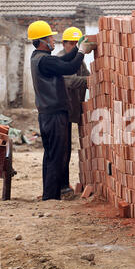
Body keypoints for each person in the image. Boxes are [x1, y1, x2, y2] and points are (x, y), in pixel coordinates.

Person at [27, 20, 93, 201]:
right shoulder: (45, 61)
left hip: (48, 114)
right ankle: (51, 197)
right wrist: (81, 52)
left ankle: (50, 195)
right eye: (50, 37)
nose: (53, 40)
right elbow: (69, 67)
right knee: (57, 156)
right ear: (42, 40)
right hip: (54, 114)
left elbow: (62, 60)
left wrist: (77, 49)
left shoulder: (38, 57)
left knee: (51, 155)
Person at [57, 27, 91, 197]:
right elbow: (69, 81)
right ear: (64, 43)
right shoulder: (59, 60)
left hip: (74, 109)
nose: (73, 46)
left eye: (76, 44)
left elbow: (86, 74)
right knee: (62, 150)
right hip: (61, 110)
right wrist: (90, 81)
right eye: (71, 43)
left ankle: (65, 185)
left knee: (69, 149)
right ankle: (61, 187)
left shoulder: (79, 61)